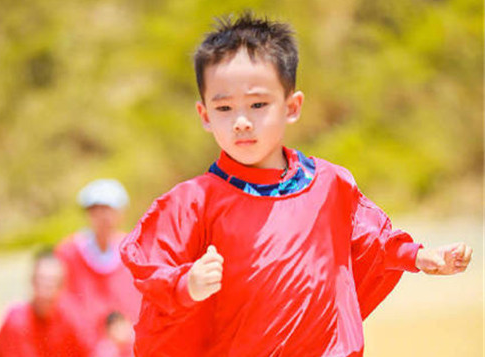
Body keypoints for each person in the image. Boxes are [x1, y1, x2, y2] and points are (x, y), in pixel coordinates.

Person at [119, 13, 473, 357]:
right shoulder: (192, 202)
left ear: (292, 106)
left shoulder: (330, 184)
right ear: (204, 115)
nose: (241, 121)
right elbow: (152, 267)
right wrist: (187, 283)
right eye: (224, 108)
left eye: (258, 104)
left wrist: (421, 257)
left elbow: (371, 243)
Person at [55, 179, 141, 353]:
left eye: (109, 210)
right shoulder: (69, 252)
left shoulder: (132, 249)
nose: (103, 217)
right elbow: (64, 301)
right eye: (96, 210)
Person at [0, 249, 87, 357]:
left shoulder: (70, 321)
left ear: (62, 285)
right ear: (32, 281)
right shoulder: (16, 321)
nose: (46, 288)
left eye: (52, 281)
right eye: (42, 280)